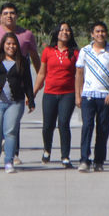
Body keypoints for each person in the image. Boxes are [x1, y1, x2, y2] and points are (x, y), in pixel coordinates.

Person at [0, 3, 41, 165]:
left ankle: (13, 154)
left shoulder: (26, 35)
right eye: (5, 13)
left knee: (13, 124)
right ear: (0, 16)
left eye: (12, 13)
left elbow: (34, 58)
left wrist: (39, 80)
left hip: (17, 83)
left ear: (17, 16)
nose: (9, 16)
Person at [0, 32, 35, 173]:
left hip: (15, 102)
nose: (11, 46)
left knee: (10, 131)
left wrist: (31, 99)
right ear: (3, 45)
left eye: (13, 44)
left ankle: (9, 161)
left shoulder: (22, 61)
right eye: (8, 44)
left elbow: (28, 82)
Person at [75, 21, 109, 172]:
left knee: (102, 129)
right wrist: (78, 94)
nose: (100, 34)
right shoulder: (85, 51)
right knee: (87, 127)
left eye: (102, 31)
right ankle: (84, 159)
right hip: (88, 95)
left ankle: (99, 160)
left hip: (105, 96)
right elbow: (79, 73)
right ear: (92, 34)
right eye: (97, 31)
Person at [33, 22, 79, 168]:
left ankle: (65, 156)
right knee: (48, 125)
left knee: (64, 123)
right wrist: (33, 92)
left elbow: (79, 76)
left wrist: (79, 94)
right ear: (56, 33)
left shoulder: (75, 53)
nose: (65, 32)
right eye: (62, 30)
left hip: (68, 93)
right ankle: (47, 149)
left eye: (67, 30)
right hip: (50, 93)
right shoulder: (47, 51)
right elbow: (41, 73)